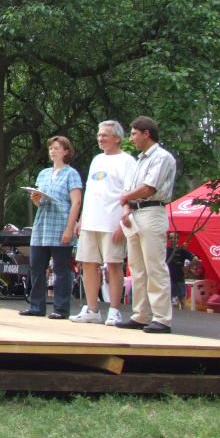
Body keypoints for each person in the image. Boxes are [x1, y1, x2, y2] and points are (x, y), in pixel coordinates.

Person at [115, 116, 178, 333]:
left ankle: (162, 318)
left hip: (152, 211)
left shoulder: (162, 157)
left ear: (146, 133)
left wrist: (125, 198)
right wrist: (126, 207)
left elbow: (149, 188)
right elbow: (128, 191)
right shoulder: (138, 161)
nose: (131, 138)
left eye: (134, 134)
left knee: (155, 266)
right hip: (135, 213)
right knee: (137, 268)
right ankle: (141, 314)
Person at [70, 121, 137, 325]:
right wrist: (82, 219)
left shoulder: (127, 161)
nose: (100, 139)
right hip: (91, 221)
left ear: (117, 138)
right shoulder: (97, 160)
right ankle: (92, 309)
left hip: (111, 222)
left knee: (114, 264)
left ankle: (114, 310)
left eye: (105, 135)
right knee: (88, 264)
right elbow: (90, 191)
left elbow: (129, 194)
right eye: (99, 135)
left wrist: (122, 224)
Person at [20, 136, 83, 319]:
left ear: (66, 151)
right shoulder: (44, 173)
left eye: (57, 148)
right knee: (36, 266)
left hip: (61, 224)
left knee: (61, 268)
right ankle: (36, 306)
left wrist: (69, 229)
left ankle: (61, 308)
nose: (53, 151)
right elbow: (42, 202)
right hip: (42, 225)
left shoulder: (71, 174)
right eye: (51, 148)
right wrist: (36, 199)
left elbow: (76, 202)